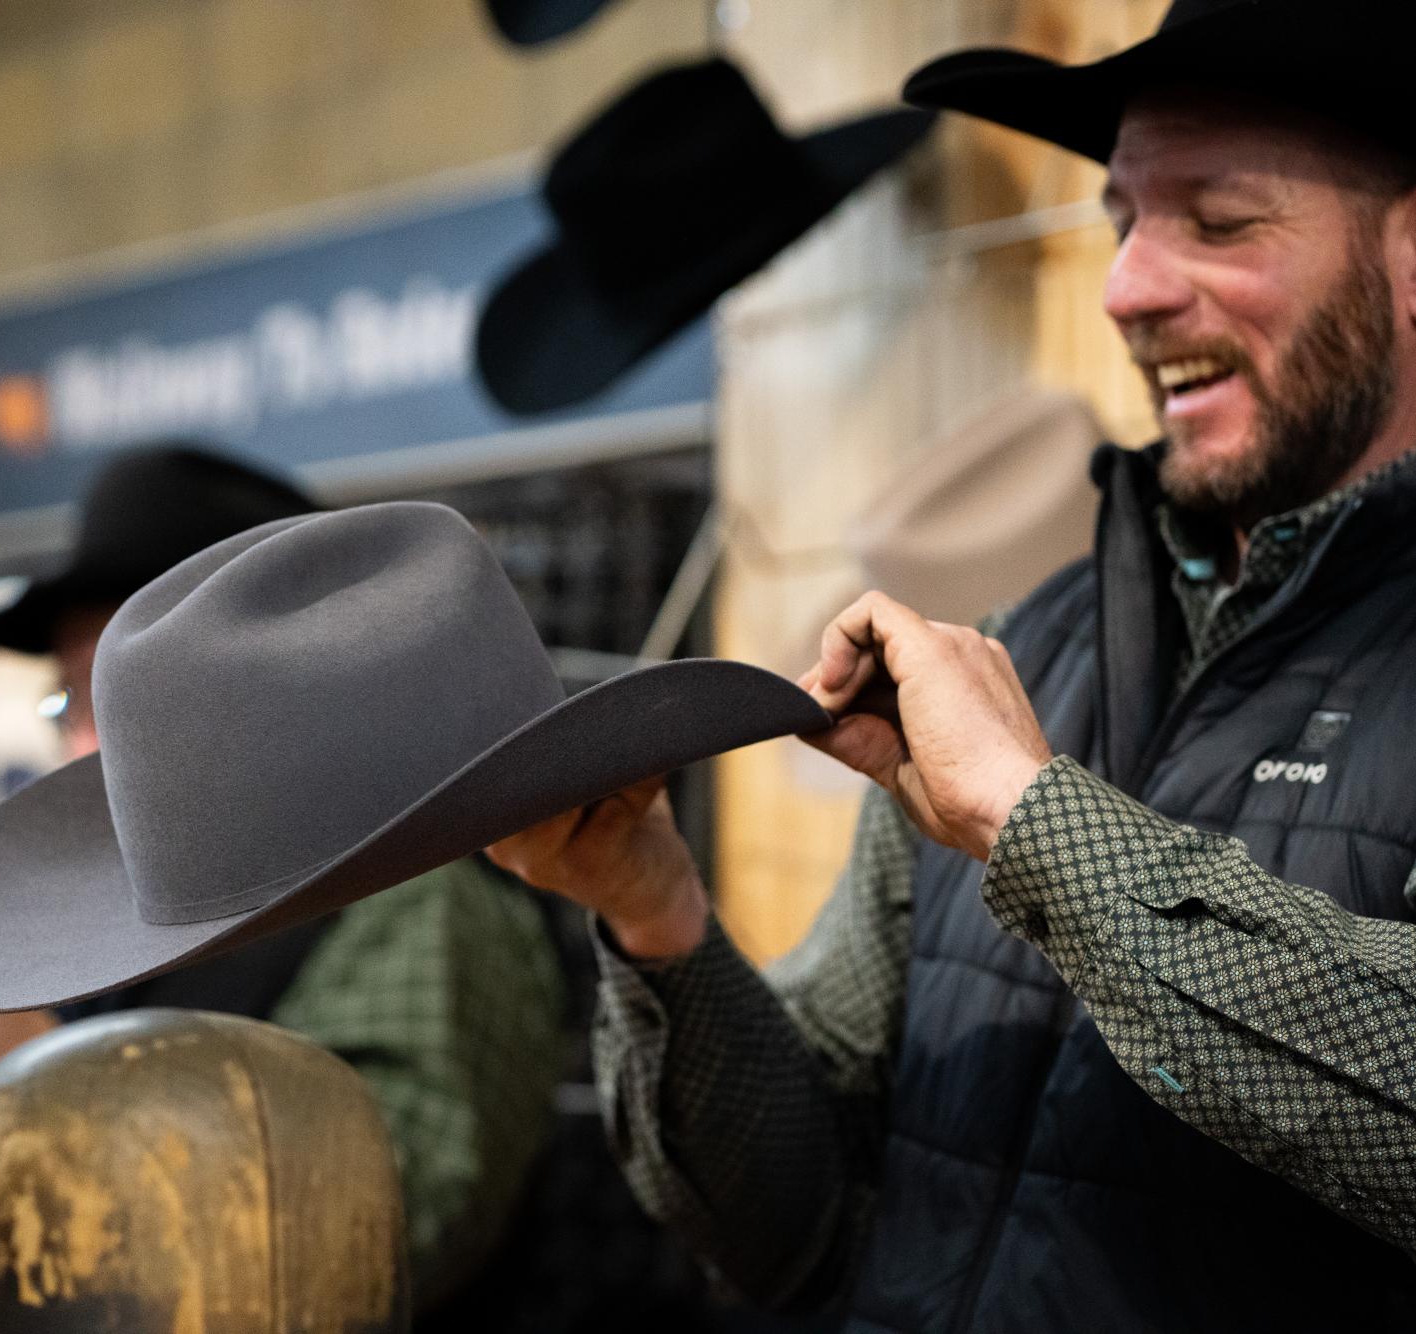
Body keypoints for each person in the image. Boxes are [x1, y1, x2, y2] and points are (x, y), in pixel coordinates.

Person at [488, 5, 1416, 1330]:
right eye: (1121, 220)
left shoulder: (1001, 733)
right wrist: (660, 920)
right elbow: (787, 1227)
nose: (1128, 289)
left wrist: (1042, 826)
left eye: (1219, 221)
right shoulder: (1026, 642)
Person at [0, 445, 567, 1309]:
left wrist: (44, 1085)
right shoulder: (154, 901)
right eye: (75, 703)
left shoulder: (419, 900)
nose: (84, 750)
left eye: (129, 710)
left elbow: (385, 1235)